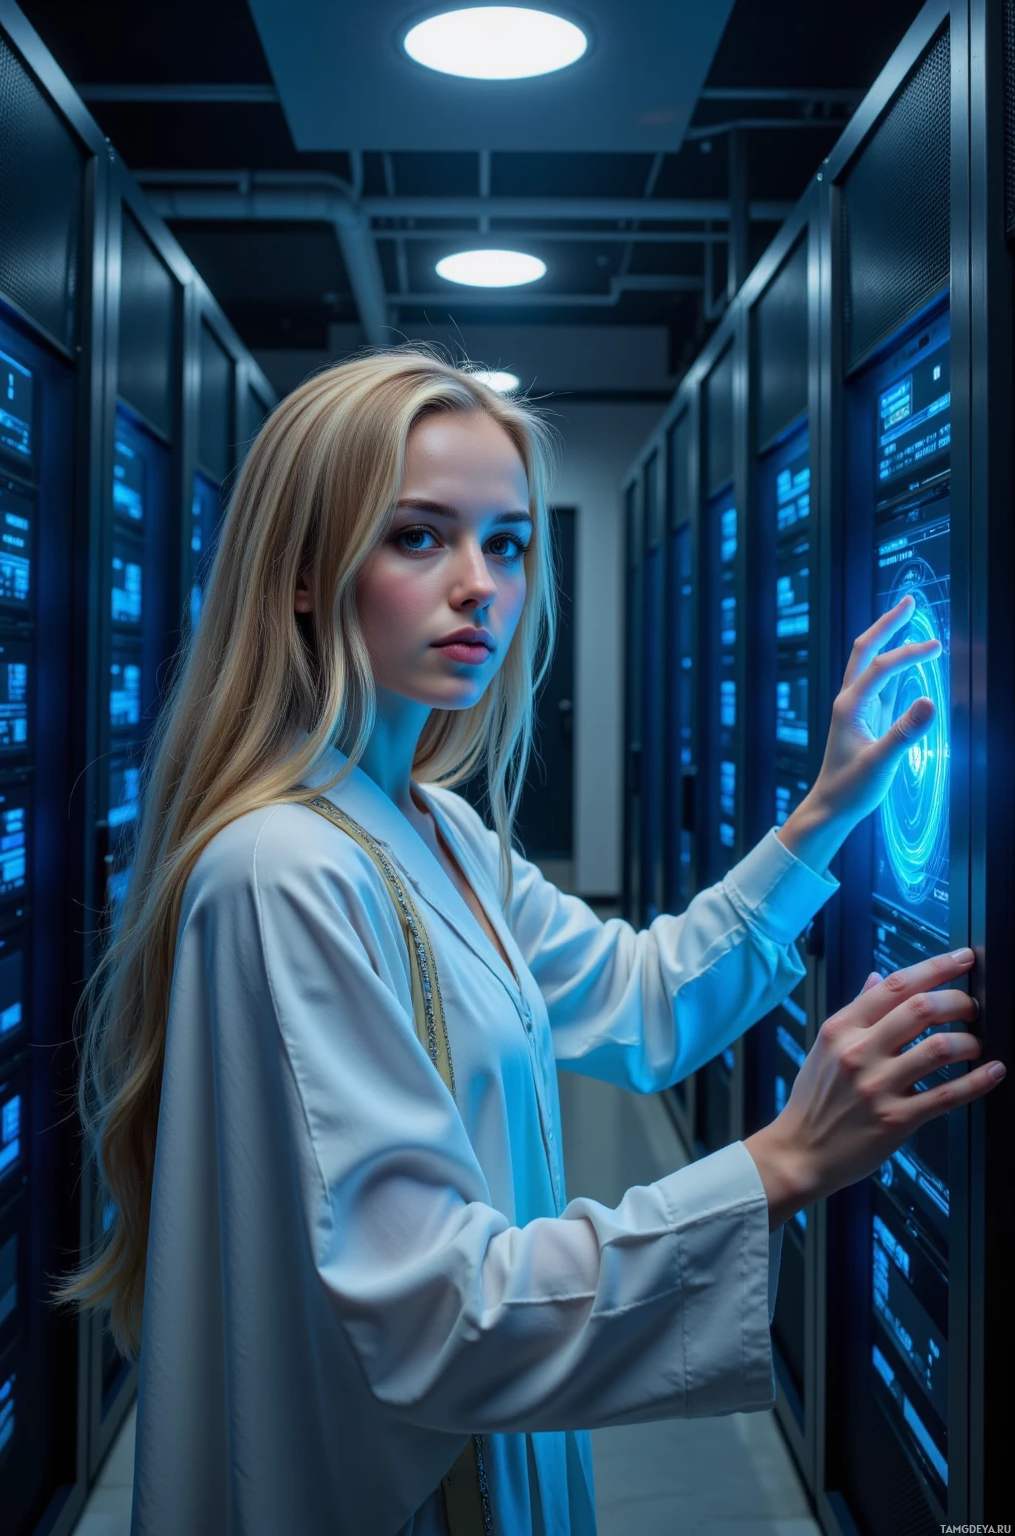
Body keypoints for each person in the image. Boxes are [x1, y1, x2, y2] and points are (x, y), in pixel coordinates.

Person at [54, 350, 1004, 1536]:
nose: (478, 587)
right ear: (301, 575)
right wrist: (784, 1160)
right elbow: (438, 1317)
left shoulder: (436, 829)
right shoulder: (281, 873)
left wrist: (824, 813)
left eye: (506, 544)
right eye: (417, 536)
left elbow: (644, 999)